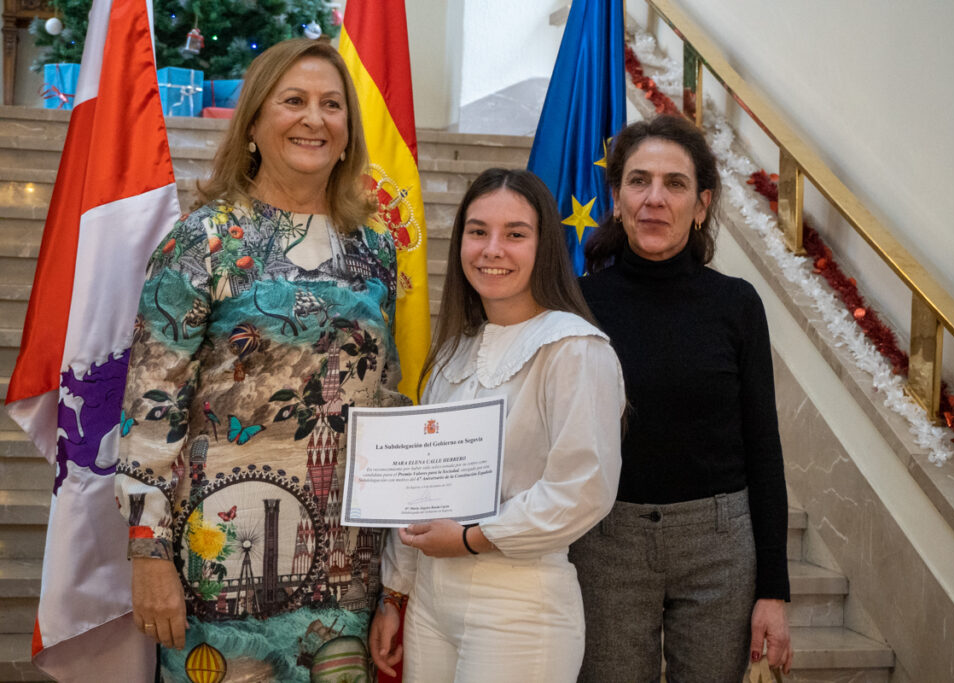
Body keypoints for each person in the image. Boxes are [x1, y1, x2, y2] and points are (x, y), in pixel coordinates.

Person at [114, 39, 405, 681]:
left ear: (349, 132)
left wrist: (396, 576)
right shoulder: (204, 241)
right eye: (293, 100)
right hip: (218, 567)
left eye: (332, 105)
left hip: (347, 573)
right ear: (252, 122)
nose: (314, 119)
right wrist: (148, 553)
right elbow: (151, 408)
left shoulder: (375, 249)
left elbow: (384, 397)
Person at [368, 168, 625, 682]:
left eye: (515, 234)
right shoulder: (453, 354)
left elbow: (583, 490)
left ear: (544, 246)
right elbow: (423, 488)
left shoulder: (574, 348)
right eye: (478, 231)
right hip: (431, 601)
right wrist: (396, 593)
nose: (492, 250)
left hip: (518, 604)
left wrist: (472, 537)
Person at [570, 114, 793, 682]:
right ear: (616, 199)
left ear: (701, 205)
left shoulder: (737, 305)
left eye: (675, 184)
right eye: (638, 181)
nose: (655, 199)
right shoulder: (575, 304)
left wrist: (774, 591)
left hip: (719, 548)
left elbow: (764, 448)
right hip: (606, 542)